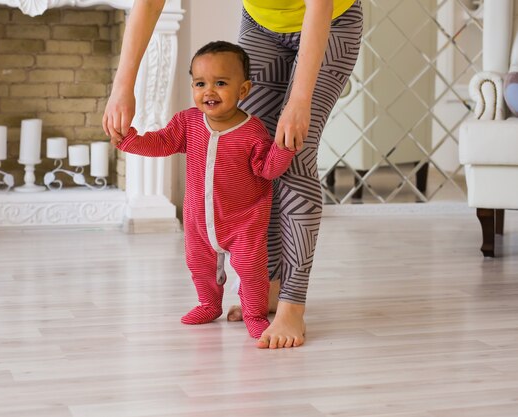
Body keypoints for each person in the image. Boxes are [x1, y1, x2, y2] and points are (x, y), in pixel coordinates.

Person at [103, 0, 364, 349]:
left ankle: (292, 305)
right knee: (253, 155)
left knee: (295, 153)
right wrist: (123, 86)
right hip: (261, 23)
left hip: (330, 20)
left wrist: (299, 101)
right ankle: (269, 287)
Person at [112, 41, 296, 339]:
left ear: (243, 90)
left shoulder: (253, 131)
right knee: (199, 265)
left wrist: (284, 148)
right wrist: (130, 141)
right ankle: (209, 304)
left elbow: (267, 169)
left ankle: (253, 312)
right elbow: (162, 142)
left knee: (251, 270)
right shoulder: (188, 122)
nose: (208, 91)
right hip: (198, 219)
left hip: (244, 221)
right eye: (200, 83)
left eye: (220, 83)